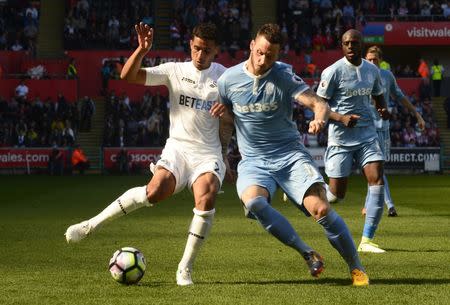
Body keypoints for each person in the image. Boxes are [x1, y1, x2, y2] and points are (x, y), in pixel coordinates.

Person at [65, 22, 227, 286]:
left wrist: (228, 111)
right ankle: (90, 225)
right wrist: (141, 50)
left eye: (206, 51)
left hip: (207, 153)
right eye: (197, 48)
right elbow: (128, 76)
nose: (200, 55)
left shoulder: (226, 77)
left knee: (206, 194)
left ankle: (184, 269)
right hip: (178, 148)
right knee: (154, 191)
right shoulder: (175, 70)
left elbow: (242, 111)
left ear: (216, 50)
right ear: (190, 45)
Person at [218, 23, 369, 286]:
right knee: (254, 203)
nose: (264, 60)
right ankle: (307, 252)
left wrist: (320, 120)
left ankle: (356, 268)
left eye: (271, 56)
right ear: (252, 45)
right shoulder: (227, 80)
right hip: (253, 161)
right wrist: (222, 155)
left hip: (289, 156)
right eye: (260, 52)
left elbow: (318, 103)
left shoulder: (283, 75)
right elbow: (227, 119)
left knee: (321, 209)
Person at [316, 29, 389, 254]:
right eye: (346, 43)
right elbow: (319, 105)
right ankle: (310, 192)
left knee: (376, 180)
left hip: (367, 134)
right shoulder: (332, 72)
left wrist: (381, 107)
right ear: (342, 45)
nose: (349, 46)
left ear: (361, 45)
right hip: (340, 138)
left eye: (354, 43)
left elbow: (378, 93)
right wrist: (340, 118)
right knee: (336, 196)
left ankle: (367, 240)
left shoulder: (372, 70)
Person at [363, 46, 426, 217]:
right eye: (368, 59)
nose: (372, 62)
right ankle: (388, 205)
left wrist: (417, 113)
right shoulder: (359, 75)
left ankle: (370, 204)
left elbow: (400, 96)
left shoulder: (387, 76)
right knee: (374, 168)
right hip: (365, 128)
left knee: (378, 168)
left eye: (375, 59)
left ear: (381, 61)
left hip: (383, 128)